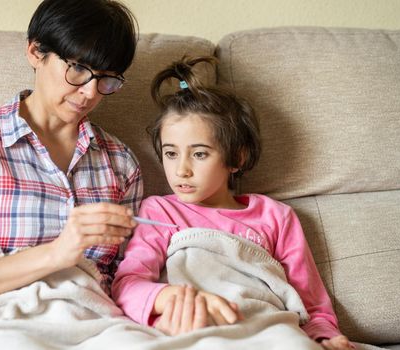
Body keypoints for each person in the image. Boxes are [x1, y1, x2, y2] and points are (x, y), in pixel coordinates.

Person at [112, 56, 354, 350]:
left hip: (266, 326)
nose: (181, 170)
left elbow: (311, 303)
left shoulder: (276, 216)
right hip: (194, 327)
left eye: (199, 154)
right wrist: (171, 300)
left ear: (236, 159)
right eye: (171, 153)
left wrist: (327, 337)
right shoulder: (160, 211)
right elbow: (127, 284)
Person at [0, 0, 143, 301]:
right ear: (35, 52)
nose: (90, 92)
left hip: (96, 319)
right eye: (78, 68)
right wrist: (57, 253)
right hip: (3, 320)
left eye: (106, 78)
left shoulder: (121, 163)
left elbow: (127, 278)